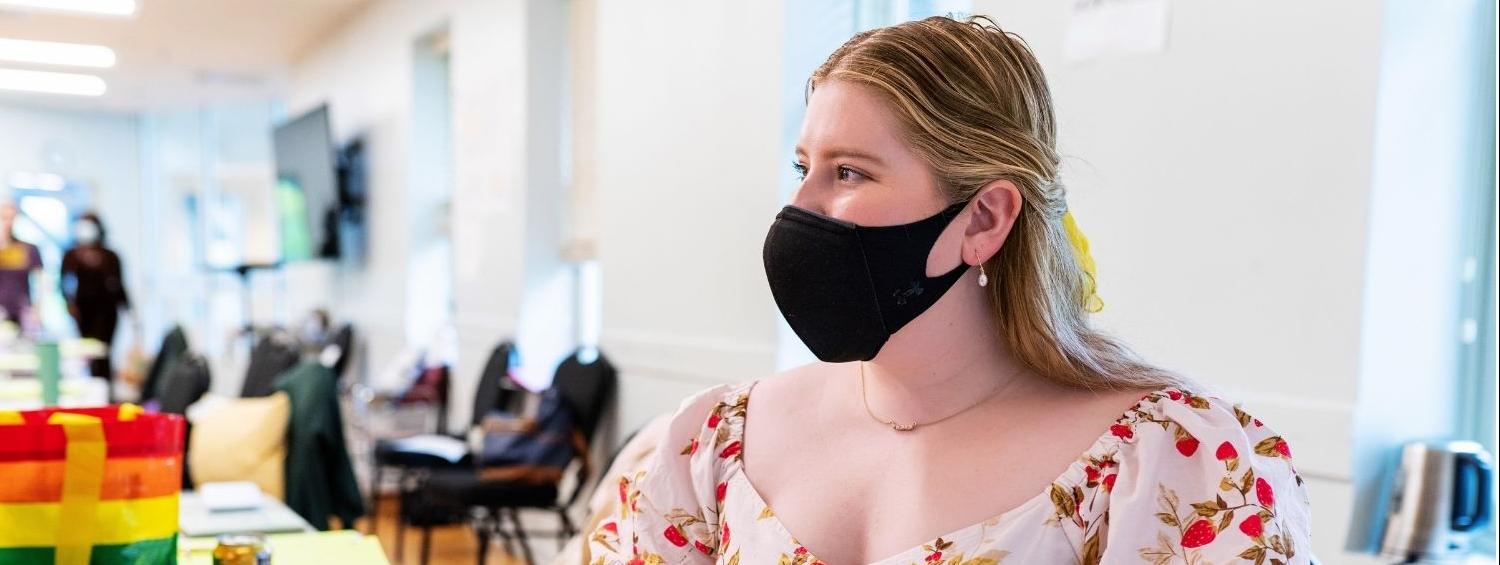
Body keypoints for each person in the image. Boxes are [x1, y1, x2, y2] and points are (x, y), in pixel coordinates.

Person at [588, 16, 1311, 564]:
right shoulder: (713, 442)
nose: (800, 207)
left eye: (849, 172)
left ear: (985, 217)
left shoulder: (1167, 463)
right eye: (803, 167)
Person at [61, 212, 131, 380]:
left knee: (104, 353)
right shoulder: (71, 256)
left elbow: (118, 284)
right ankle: (92, 382)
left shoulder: (111, 256)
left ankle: (105, 385)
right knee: (88, 353)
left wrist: (129, 310)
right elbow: (64, 283)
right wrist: (69, 304)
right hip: (83, 312)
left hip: (107, 312)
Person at [0, 202, 43, 329]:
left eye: (11, 218)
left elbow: (40, 283)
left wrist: (37, 310)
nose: (7, 223)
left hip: (22, 311)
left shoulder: (28, 249)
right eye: (3, 218)